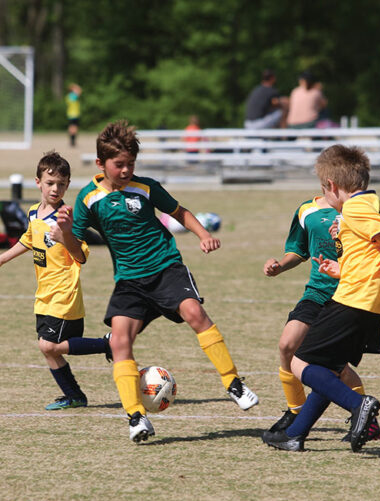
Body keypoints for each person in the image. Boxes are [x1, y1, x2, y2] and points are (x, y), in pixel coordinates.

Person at [54, 120, 259, 443]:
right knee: (120, 341)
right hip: (129, 281)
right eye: (118, 164)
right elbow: (78, 253)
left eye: (130, 164)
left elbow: (180, 213)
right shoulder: (88, 199)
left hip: (166, 268)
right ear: (100, 164)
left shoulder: (146, 187)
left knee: (195, 313)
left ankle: (233, 382)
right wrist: (65, 232)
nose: (125, 170)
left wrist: (203, 234)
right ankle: (136, 417)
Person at [261, 144, 380, 453]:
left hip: (355, 300)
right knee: (327, 370)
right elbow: (374, 254)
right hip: (370, 302)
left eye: (324, 191)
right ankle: (295, 434)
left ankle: (359, 404)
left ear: (332, 187)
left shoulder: (354, 207)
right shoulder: (370, 203)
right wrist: (342, 268)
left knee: (301, 362)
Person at [0, 151, 112, 410]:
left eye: (61, 184)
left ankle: (109, 344)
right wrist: (1, 259)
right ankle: (74, 396)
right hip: (44, 295)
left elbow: (81, 256)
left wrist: (65, 237)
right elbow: (28, 240)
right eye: (50, 183)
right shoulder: (33, 213)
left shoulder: (66, 220)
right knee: (48, 350)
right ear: (38, 182)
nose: (55, 189)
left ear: (68, 185)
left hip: (64, 294)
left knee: (48, 345)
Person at [262, 195, 379, 441]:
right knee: (287, 346)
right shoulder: (307, 210)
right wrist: (280, 265)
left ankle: (368, 421)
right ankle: (295, 412)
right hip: (316, 292)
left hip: (347, 295)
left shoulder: (358, 210)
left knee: (338, 368)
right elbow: (298, 250)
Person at [65, 83, 82, 147]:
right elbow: (79, 90)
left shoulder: (68, 96)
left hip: (70, 114)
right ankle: (73, 141)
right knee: (74, 127)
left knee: (71, 127)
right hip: (74, 114)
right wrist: (76, 86)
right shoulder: (72, 96)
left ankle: (72, 141)